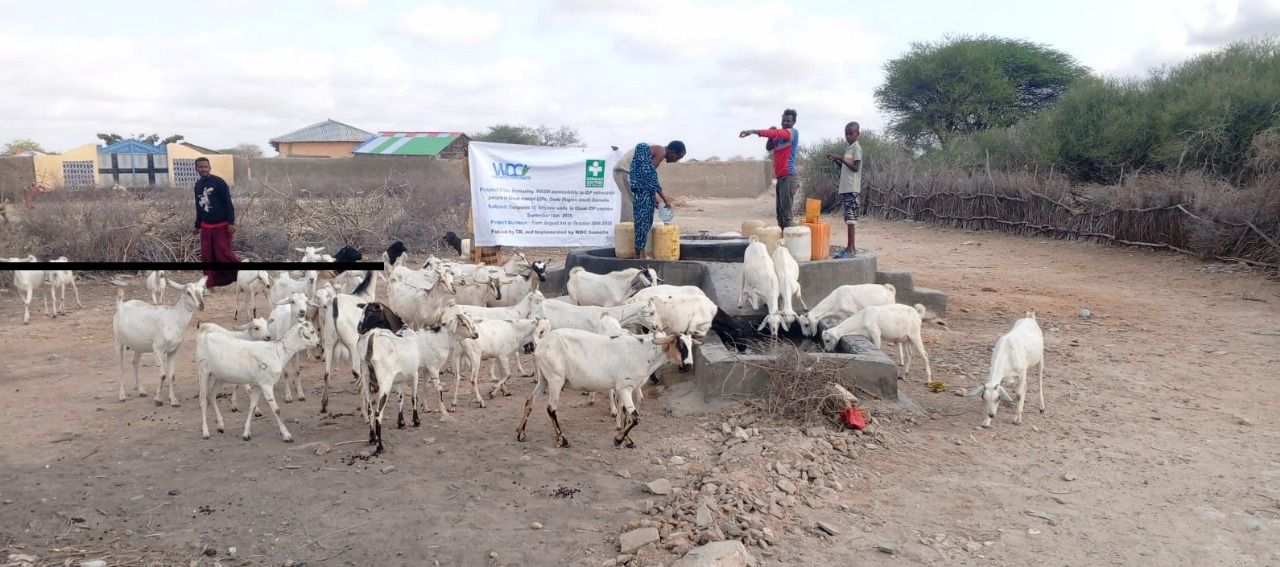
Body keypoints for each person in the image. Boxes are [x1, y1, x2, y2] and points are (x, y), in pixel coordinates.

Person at [739, 108, 800, 228]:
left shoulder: (792, 133)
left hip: (789, 177)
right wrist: (770, 136)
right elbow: (769, 147)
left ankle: (791, 238)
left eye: (788, 121)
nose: (785, 123)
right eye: (783, 120)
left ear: (793, 122)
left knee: (786, 215)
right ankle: (783, 237)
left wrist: (752, 131)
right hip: (781, 178)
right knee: (780, 214)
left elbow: (775, 133)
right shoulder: (778, 136)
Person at [628, 140, 686, 259]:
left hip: (641, 188)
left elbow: (647, 178)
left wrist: (654, 198)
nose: (675, 161)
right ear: (672, 152)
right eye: (677, 158)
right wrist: (664, 199)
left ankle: (639, 252)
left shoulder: (657, 152)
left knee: (643, 218)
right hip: (641, 188)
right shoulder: (661, 151)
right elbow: (650, 176)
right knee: (643, 219)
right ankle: (640, 254)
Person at [190, 156, 239, 289]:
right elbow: (198, 206)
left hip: (221, 225)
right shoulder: (197, 185)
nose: (203, 169)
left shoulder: (219, 182)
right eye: (200, 167)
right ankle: (210, 284)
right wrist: (197, 225)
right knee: (207, 257)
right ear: (196, 169)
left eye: (205, 166)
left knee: (224, 255)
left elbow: (228, 203)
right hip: (206, 226)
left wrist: (231, 222)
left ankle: (244, 275)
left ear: (210, 167)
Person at [826, 121, 863, 258]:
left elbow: (855, 167)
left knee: (851, 219)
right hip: (847, 188)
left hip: (852, 188)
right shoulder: (849, 148)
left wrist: (840, 158)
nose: (848, 136)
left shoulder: (856, 148)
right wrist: (836, 160)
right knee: (848, 218)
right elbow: (846, 168)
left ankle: (851, 249)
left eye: (850, 134)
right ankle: (850, 247)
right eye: (846, 134)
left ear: (857, 134)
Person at [612, 144, 637, 222]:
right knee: (628, 201)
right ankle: (627, 225)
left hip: (624, 173)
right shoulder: (659, 152)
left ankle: (628, 224)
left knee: (630, 200)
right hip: (622, 173)